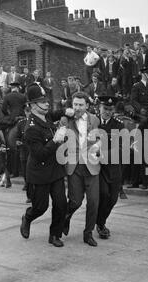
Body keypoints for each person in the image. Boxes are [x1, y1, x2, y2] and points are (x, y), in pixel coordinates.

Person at [20, 83, 73, 248]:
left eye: (46, 100)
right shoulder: (30, 128)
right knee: (40, 208)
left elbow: (55, 113)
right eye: (42, 101)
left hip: (55, 170)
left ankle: (55, 235)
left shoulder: (46, 116)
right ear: (33, 106)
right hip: (39, 172)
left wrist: (65, 110)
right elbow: (40, 154)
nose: (47, 103)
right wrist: (55, 140)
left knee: (61, 204)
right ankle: (27, 217)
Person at [63, 91, 101, 247]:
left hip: (91, 165)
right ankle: (66, 217)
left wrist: (98, 145)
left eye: (80, 105)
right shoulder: (66, 120)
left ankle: (88, 233)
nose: (77, 108)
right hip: (75, 166)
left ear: (87, 106)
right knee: (75, 201)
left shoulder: (94, 120)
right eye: (75, 104)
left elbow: (98, 139)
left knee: (93, 202)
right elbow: (60, 139)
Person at [96, 96, 124, 239]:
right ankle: (100, 224)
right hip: (98, 168)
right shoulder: (93, 123)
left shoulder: (118, 125)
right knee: (103, 194)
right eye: (105, 109)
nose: (107, 112)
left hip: (113, 167)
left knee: (113, 199)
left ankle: (101, 221)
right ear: (99, 108)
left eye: (110, 109)